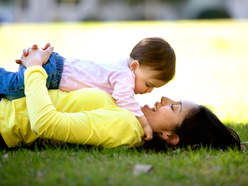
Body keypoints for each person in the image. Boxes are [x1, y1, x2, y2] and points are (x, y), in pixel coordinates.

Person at [0, 46, 240, 151]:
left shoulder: (124, 127)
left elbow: (46, 124)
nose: (164, 97)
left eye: (174, 107)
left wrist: (34, 68)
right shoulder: (126, 106)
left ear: (171, 136)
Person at [0, 37, 176, 141]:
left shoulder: (124, 70)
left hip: (56, 69)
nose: (149, 92)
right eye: (149, 85)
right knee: (14, 87)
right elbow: (125, 99)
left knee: (15, 88)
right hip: (55, 73)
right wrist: (144, 122)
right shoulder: (125, 76)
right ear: (135, 66)